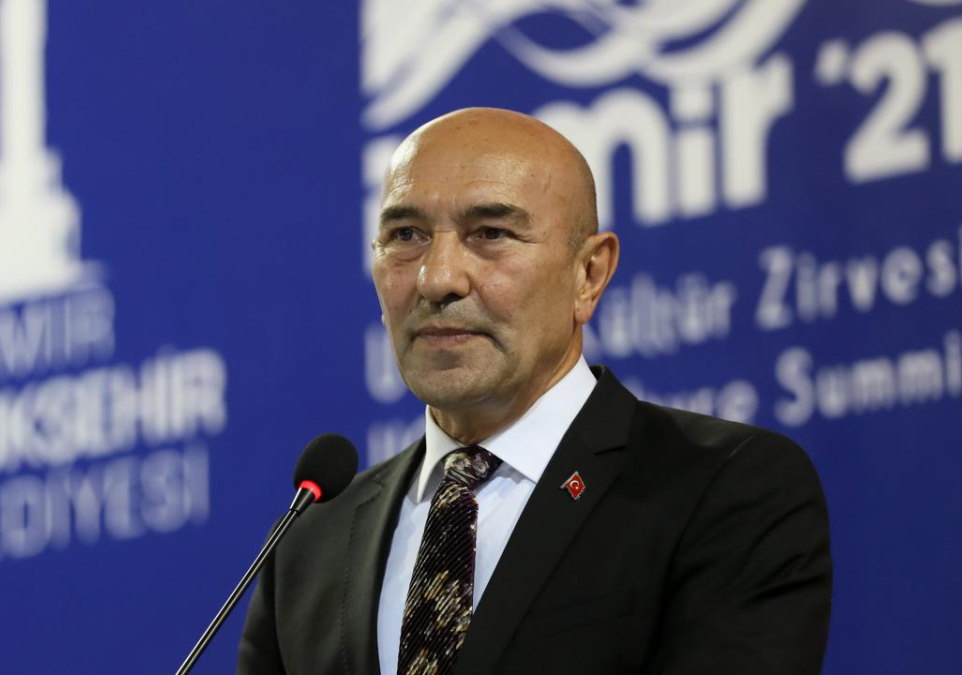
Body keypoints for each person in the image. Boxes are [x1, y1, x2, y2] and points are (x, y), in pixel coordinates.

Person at [238, 108, 832, 674]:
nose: (437, 278)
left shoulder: (722, 488)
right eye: (406, 234)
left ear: (588, 274)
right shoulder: (308, 543)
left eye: (491, 233)